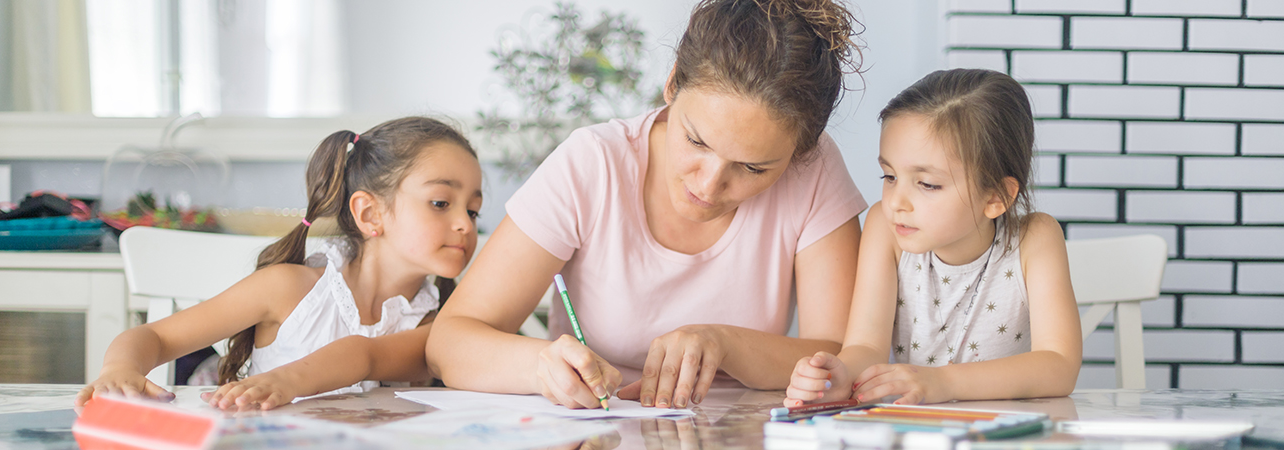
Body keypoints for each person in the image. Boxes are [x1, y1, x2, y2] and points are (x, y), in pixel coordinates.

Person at [427, 0, 868, 410]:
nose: (710, 185)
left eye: (753, 169)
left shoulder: (814, 170)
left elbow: (839, 355)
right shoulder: (593, 163)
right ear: (673, 83)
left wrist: (724, 343)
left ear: (799, 153)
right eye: (696, 140)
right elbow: (448, 344)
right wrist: (539, 363)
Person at [76, 117, 483, 410]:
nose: (465, 224)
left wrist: (289, 381)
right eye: (441, 203)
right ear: (370, 214)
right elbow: (156, 339)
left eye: (474, 211)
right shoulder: (289, 288)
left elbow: (365, 356)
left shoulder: (440, 321)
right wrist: (120, 368)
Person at [785, 69, 1082, 406]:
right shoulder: (885, 229)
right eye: (890, 176)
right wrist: (838, 374)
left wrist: (945, 382)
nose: (896, 202)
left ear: (996, 196)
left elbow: (1059, 365)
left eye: (927, 184)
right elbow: (866, 346)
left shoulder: (1034, 239)